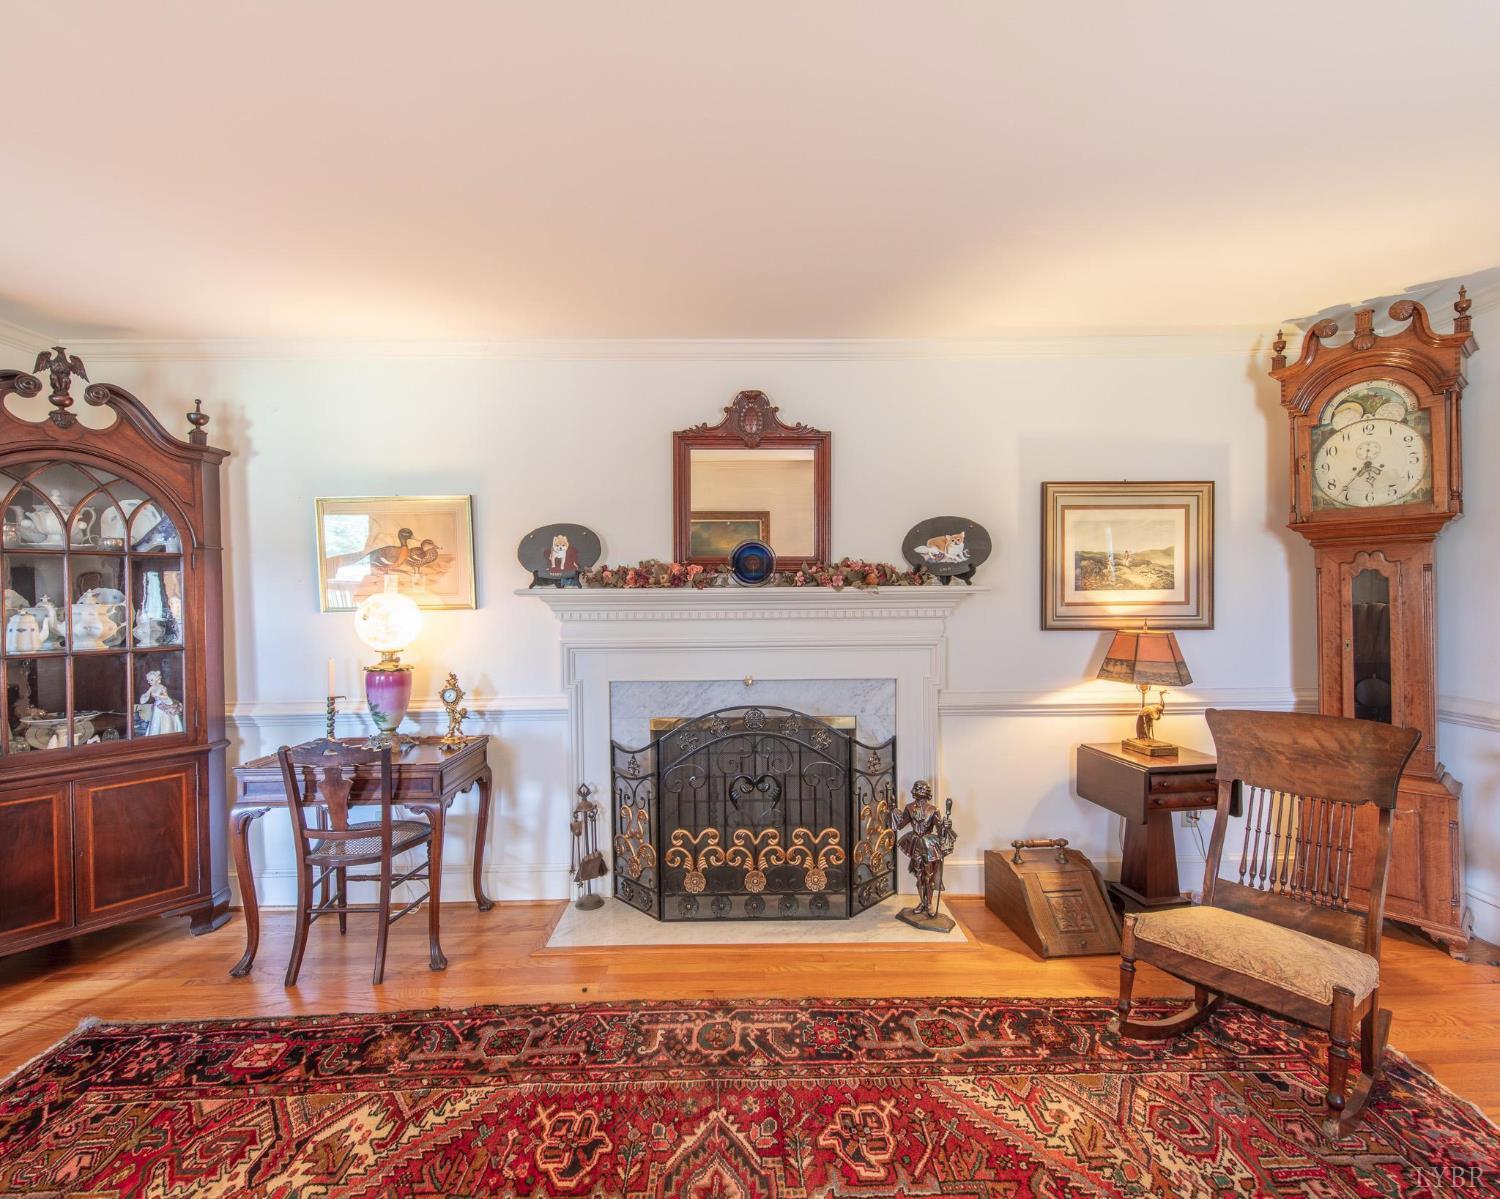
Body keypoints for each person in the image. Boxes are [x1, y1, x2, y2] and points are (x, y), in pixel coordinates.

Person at [892, 780, 956, 918]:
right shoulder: (909, 808)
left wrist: (946, 826)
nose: (914, 791)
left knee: (929, 877)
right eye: (914, 788)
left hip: (929, 845)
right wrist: (894, 812)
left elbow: (940, 831)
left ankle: (929, 904)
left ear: (924, 792)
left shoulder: (933, 810)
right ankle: (922, 902)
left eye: (917, 789)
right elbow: (900, 825)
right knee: (919, 875)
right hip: (915, 843)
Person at [136, 670, 184, 735]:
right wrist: (145, 696)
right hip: (157, 706)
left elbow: (166, 697)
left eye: (151, 680)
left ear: (157, 679)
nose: (149, 682)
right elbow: (146, 694)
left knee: (165, 722)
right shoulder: (152, 687)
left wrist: (158, 696)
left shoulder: (162, 687)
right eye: (148, 680)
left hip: (164, 706)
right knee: (156, 721)